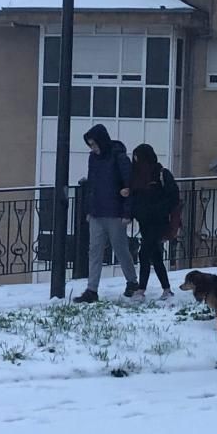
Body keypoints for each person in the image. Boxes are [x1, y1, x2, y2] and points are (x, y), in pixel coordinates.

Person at [73, 124, 140, 303]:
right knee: (94, 251)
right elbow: (91, 186)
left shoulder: (119, 157)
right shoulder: (93, 159)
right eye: (90, 145)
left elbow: (129, 185)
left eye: (94, 144)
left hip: (115, 213)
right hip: (97, 212)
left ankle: (132, 281)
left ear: (102, 141)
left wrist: (127, 212)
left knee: (120, 249)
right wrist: (89, 209)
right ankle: (91, 289)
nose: (93, 148)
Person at [129, 144, 179, 301]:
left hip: (159, 221)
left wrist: (158, 209)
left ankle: (141, 289)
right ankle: (166, 289)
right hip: (144, 221)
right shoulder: (136, 177)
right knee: (155, 255)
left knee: (144, 253)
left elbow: (173, 196)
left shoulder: (161, 174)